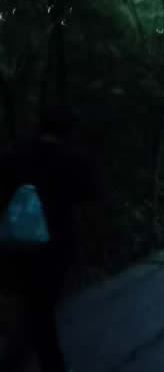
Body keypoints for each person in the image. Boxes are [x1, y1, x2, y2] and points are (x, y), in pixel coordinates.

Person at [0, 106, 97, 372]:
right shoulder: (72, 159)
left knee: (33, 306)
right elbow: (90, 194)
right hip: (56, 245)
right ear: (69, 130)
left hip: (16, 242)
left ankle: (23, 359)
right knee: (41, 308)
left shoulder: (17, 154)